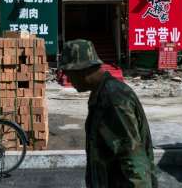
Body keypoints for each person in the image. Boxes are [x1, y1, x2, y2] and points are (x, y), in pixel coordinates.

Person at [60, 39, 158, 188]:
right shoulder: (102, 93)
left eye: (69, 73)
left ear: (83, 70)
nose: (68, 79)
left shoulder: (113, 99)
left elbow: (133, 161)